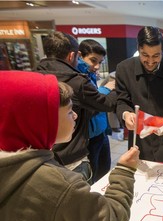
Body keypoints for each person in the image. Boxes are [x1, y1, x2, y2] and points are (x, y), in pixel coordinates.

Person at [0, 71, 139, 221]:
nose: (75, 116)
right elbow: (108, 219)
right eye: (69, 112)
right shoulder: (54, 184)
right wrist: (125, 171)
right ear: (39, 120)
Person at [36, 31, 118, 183]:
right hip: (74, 149)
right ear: (74, 55)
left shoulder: (34, 76)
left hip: (48, 149)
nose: (96, 66)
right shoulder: (76, 80)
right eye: (93, 60)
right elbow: (104, 104)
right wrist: (111, 88)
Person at [116, 26, 163, 164]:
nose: (150, 62)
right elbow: (121, 101)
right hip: (138, 141)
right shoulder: (124, 69)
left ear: (162, 50)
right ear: (138, 48)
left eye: (156, 55)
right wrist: (126, 114)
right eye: (145, 55)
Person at [77, 39, 114, 182]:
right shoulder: (76, 77)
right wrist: (107, 88)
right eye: (93, 60)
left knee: (104, 169)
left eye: (100, 62)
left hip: (100, 132)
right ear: (79, 56)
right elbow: (92, 101)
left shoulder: (89, 74)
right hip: (88, 136)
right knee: (93, 173)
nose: (97, 66)